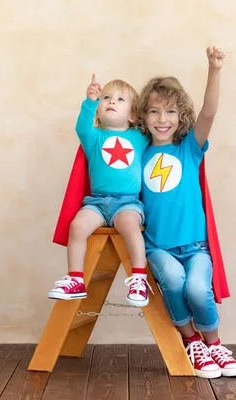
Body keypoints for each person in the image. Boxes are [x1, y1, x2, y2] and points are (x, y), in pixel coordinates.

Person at [136, 46, 236, 378]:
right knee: (172, 279)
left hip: (195, 246)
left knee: (197, 289)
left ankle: (214, 345)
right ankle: (190, 340)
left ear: (181, 116)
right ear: (143, 117)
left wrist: (214, 69)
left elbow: (209, 114)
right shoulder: (137, 154)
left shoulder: (189, 149)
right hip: (158, 247)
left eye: (170, 112)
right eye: (154, 112)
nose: (162, 120)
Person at [48, 74, 152, 307]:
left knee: (130, 225)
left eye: (120, 99)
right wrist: (90, 101)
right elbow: (81, 127)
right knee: (77, 226)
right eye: (107, 98)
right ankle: (75, 279)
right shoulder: (94, 137)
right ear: (98, 111)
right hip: (96, 202)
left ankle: (138, 278)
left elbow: (158, 129)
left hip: (127, 202)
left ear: (133, 114)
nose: (112, 102)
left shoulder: (139, 137)